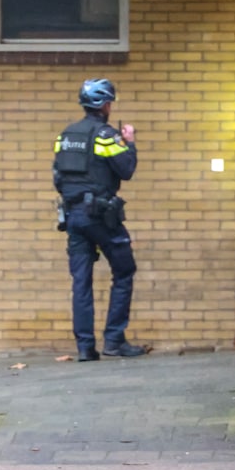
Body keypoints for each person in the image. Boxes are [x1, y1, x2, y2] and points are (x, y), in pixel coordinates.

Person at [53, 78, 147, 362]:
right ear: (105, 104)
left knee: (81, 282)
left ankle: (85, 347)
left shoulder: (65, 136)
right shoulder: (106, 135)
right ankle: (114, 340)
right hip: (101, 217)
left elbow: (58, 177)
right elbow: (126, 169)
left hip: (73, 216)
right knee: (124, 270)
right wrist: (130, 143)